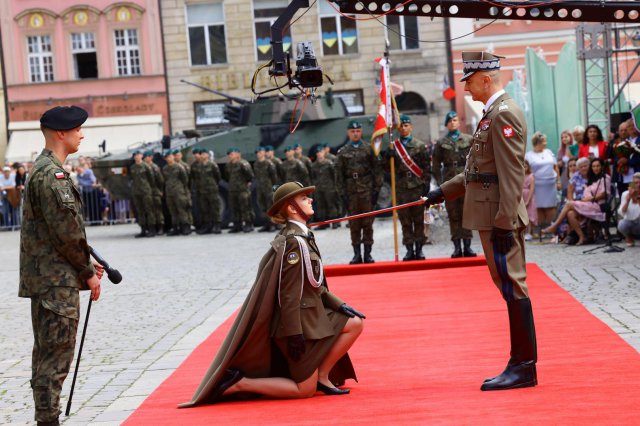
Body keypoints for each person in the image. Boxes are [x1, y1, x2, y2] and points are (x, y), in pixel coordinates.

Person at [179, 181, 365, 407]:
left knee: (354, 323)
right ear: (291, 208)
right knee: (303, 390)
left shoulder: (303, 236)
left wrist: (338, 305)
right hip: (298, 327)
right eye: (304, 198)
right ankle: (240, 383)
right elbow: (288, 294)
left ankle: (322, 377)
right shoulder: (294, 243)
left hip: (311, 318)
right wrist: (295, 334)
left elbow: (314, 284)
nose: (311, 200)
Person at [425, 51, 538, 391]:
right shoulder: (491, 115)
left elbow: (512, 172)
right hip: (491, 215)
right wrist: (443, 192)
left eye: (471, 82)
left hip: (498, 218)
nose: (468, 89)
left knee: (513, 287)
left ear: (486, 79)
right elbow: (478, 171)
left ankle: (523, 366)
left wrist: (504, 221)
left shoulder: (504, 115)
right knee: (508, 287)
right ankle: (520, 363)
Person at [19, 105, 104, 426]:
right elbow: (66, 232)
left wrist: (86, 262)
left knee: (48, 352)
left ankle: (47, 417)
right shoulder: (51, 174)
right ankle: (48, 419)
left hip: (50, 278)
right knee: (55, 355)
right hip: (56, 282)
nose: (82, 134)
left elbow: (63, 232)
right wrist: (86, 272)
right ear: (61, 134)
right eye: (78, 129)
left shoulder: (44, 170)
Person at [386, 114, 432, 261]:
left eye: (406, 125)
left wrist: (426, 186)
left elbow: (426, 168)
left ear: (411, 127)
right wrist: (388, 157)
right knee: (405, 221)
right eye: (402, 126)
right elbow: (388, 170)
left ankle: (419, 249)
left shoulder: (419, 145)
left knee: (418, 220)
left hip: (417, 188)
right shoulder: (394, 146)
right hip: (401, 189)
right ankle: (409, 249)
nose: (404, 128)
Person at [336, 121, 383, 264]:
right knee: (354, 225)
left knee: (367, 224)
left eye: (357, 131)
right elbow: (339, 175)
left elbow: (377, 170)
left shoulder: (369, 149)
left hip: (367, 192)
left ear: (361, 132)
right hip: (351, 193)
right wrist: (342, 194)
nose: (355, 133)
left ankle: (368, 254)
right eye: (352, 131)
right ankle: (357, 254)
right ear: (348, 133)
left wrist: (376, 190)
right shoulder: (342, 152)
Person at [432, 111, 476, 258]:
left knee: (467, 213)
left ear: (459, 122)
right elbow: (436, 165)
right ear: (446, 124)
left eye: (455, 120)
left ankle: (468, 246)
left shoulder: (469, 139)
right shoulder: (441, 143)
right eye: (450, 121)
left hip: (466, 180)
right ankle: (457, 247)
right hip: (450, 181)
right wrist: (440, 184)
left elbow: (476, 159)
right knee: (453, 214)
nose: (452, 122)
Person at [543, 158, 611, 245]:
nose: (596, 168)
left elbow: (603, 194)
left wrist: (587, 199)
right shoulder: (592, 178)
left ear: (602, 167)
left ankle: (555, 226)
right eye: (594, 166)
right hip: (586, 204)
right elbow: (570, 190)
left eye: (597, 166)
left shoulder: (605, 178)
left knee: (569, 204)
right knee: (570, 213)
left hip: (596, 205)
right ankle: (581, 237)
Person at [525, 132, 560, 232]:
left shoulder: (548, 152)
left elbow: (555, 167)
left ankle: (550, 229)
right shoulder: (529, 155)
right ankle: (540, 229)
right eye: (544, 141)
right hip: (537, 185)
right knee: (538, 206)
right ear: (537, 142)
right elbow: (527, 171)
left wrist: (558, 181)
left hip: (550, 184)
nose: (545, 143)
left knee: (551, 206)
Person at [191, 148, 222, 234]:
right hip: (201, 191)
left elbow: (218, 176)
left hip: (212, 190)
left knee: (214, 208)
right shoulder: (197, 166)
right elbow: (194, 177)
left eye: (204, 154)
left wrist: (213, 185)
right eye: (201, 154)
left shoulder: (212, 165)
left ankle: (217, 226)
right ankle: (208, 226)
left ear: (207, 155)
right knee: (204, 209)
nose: (203, 155)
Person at [225, 147, 254, 233]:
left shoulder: (243, 164)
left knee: (245, 207)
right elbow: (227, 176)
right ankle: (237, 225)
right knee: (234, 207)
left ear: (238, 154)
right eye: (229, 154)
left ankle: (249, 224)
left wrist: (247, 182)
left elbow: (249, 175)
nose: (230, 156)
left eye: (232, 154)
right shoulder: (228, 165)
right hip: (233, 190)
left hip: (242, 189)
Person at [162, 150, 192, 236]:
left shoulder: (179, 167)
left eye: (170, 157)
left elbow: (185, 179)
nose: (168, 159)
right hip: (169, 192)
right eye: (167, 157)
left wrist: (180, 188)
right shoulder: (165, 168)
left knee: (182, 209)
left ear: (173, 157)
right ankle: (176, 228)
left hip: (179, 192)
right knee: (173, 211)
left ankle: (186, 227)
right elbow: (164, 180)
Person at [310, 146, 339, 229]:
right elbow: (313, 177)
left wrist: (335, 186)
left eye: (321, 152)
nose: (319, 154)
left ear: (324, 153)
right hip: (319, 189)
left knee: (331, 205)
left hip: (329, 188)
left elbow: (334, 175)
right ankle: (323, 224)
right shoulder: (314, 165)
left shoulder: (329, 163)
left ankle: (334, 222)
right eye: (318, 152)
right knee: (320, 206)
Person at [129, 150, 156, 238]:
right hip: (137, 192)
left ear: (141, 156)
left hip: (145, 191)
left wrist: (148, 188)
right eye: (135, 155)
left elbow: (151, 179)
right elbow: (131, 179)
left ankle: (152, 229)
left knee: (149, 210)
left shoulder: (146, 166)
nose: (136, 157)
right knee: (140, 211)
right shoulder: (132, 167)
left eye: (138, 155)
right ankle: (143, 229)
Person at [253, 146, 279, 232]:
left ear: (264, 153)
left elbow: (274, 177)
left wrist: (274, 188)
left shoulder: (269, 163)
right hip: (260, 189)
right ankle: (266, 224)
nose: (258, 154)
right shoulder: (256, 164)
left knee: (270, 207)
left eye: (260, 152)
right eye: (257, 153)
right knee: (262, 207)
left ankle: (272, 225)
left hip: (268, 188)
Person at [143, 151, 165, 235]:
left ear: (151, 157)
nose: (146, 159)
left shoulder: (155, 167)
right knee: (149, 210)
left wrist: (159, 190)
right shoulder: (144, 167)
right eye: (144, 158)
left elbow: (160, 180)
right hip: (146, 191)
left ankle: (160, 228)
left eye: (147, 157)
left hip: (154, 191)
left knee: (157, 210)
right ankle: (152, 228)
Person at [618, 173, 640, 246]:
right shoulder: (625, 194)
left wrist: (637, 200)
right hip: (630, 222)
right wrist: (628, 200)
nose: (638, 185)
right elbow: (622, 213)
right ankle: (629, 237)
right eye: (636, 183)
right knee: (622, 224)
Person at [522, 160, 537, 241]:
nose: (524, 168)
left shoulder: (531, 176)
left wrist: (528, 200)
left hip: (528, 196)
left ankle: (529, 232)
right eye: (523, 166)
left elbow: (531, 189)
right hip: (521, 196)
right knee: (522, 215)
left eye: (526, 166)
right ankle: (523, 232)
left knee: (530, 215)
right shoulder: (520, 176)